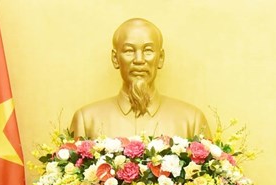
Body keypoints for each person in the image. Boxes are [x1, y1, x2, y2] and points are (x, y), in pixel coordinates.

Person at [70, 18, 210, 139]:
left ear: (160, 58)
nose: (139, 60)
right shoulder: (86, 120)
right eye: (129, 51)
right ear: (115, 58)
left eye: (148, 50)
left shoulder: (192, 121)